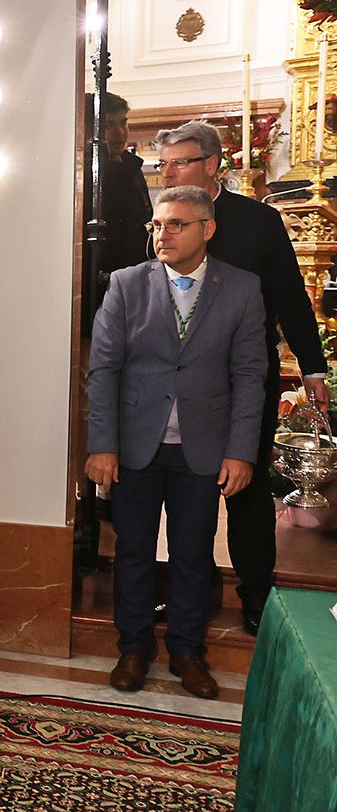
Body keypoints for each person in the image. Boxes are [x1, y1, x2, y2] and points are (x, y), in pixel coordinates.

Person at [86, 186, 266, 699]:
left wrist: (240, 450)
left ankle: (187, 652)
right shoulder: (125, 285)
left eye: (176, 225)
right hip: (136, 446)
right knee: (134, 551)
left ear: (206, 230)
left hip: (203, 448)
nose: (162, 234)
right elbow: (104, 369)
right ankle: (134, 649)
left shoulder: (242, 288)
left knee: (192, 554)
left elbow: (250, 374)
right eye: (157, 225)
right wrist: (103, 444)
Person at [157, 120, 327, 634]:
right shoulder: (160, 221)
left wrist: (313, 365)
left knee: (246, 492)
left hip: (245, 379)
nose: (168, 174)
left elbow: (291, 297)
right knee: (188, 492)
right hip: (181, 382)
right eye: (162, 164)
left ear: (212, 165)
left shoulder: (258, 221)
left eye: (179, 162)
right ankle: (195, 588)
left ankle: (255, 593)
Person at [96, 92, 153, 277]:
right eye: (108, 125)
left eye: (123, 122)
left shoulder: (133, 167)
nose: (120, 133)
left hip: (137, 270)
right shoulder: (89, 173)